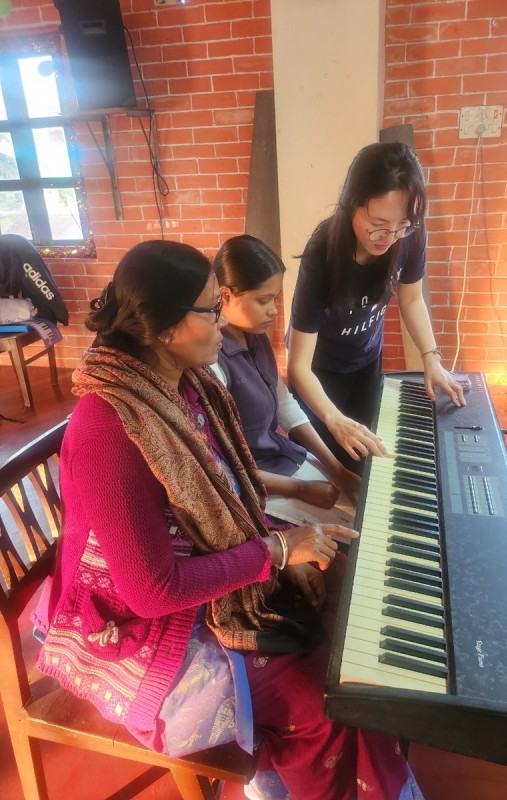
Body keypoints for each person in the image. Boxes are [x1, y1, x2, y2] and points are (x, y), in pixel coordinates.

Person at [31, 240, 424, 800]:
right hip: (142, 629)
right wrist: (276, 553)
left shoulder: (185, 388)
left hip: (192, 584)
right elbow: (152, 592)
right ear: (164, 327)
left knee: (355, 612)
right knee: (325, 697)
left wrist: (281, 549)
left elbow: (226, 500)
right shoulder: (108, 431)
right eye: (212, 309)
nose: (223, 322)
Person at [287, 142, 465, 473]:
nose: (390, 236)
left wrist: (432, 358)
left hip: (367, 360)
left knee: (364, 460)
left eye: (402, 225)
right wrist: (332, 417)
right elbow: (298, 365)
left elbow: (412, 299)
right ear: (352, 204)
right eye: (378, 223)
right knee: (323, 470)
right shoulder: (322, 254)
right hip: (321, 372)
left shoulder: (409, 233)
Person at [212, 234, 360, 525]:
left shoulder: (256, 338)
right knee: (350, 532)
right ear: (226, 296)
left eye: (275, 299)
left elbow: (285, 406)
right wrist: (301, 489)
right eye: (263, 300)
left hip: (282, 457)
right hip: (257, 485)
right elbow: (222, 467)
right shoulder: (213, 361)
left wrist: (338, 470)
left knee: (361, 506)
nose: (274, 310)